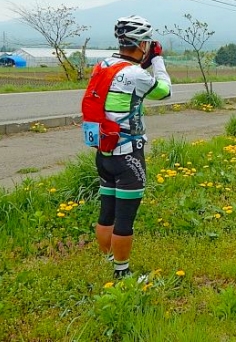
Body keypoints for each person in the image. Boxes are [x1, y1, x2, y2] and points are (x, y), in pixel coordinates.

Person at [95, 15, 172, 279]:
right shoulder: (136, 73)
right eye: (148, 43)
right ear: (141, 44)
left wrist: (143, 61)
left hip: (104, 151)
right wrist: (158, 61)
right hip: (128, 155)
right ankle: (122, 273)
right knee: (125, 218)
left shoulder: (104, 66)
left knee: (107, 211)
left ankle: (107, 261)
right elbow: (164, 90)